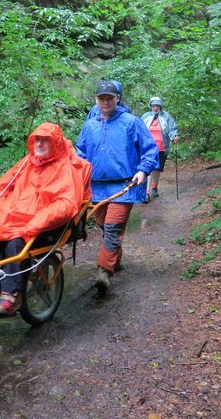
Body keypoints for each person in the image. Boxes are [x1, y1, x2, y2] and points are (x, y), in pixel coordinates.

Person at [0, 122, 91, 316]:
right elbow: (3, 187)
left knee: (15, 240)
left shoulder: (65, 168)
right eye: (37, 140)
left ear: (55, 143)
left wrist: (37, 221)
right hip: (21, 214)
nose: (39, 145)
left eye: (45, 141)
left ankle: (12, 294)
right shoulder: (27, 162)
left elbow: (67, 203)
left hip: (46, 222)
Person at [76, 81, 159, 294]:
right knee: (104, 226)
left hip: (125, 186)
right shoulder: (90, 125)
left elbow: (150, 150)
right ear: (96, 100)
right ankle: (115, 257)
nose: (106, 101)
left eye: (109, 98)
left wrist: (143, 170)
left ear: (117, 98)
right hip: (96, 187)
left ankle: (103, 272)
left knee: (112, 228)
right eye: (102, 98)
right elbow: (81, 152)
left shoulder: (131, 122)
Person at [140, 96, 179, 202]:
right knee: (148, 168)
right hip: (148, 148)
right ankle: (146, 193)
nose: (155, 108)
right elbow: (139, 129)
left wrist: (174, 136)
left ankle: (154, 187)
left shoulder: (166, 116)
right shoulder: (145, 116)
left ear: (160, 107)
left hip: (162, 148)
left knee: (157, 169)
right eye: (153, 106)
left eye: (157, 106)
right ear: (150, 106)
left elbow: (172, 129)